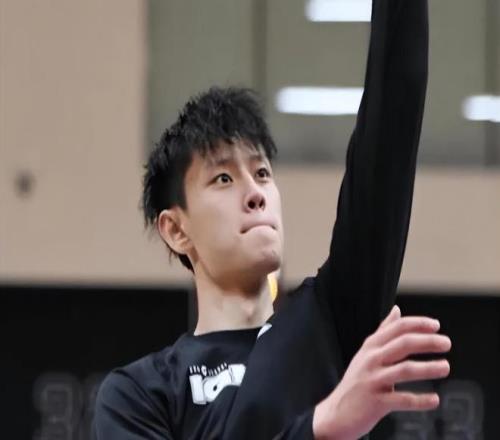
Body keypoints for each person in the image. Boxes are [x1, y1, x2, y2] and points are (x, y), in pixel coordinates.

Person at [93, 0, 452, 438]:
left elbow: (394, 110)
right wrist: (319, 428)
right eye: (223, 178)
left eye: (262, 173)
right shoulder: (140, 394)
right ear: (176, 229)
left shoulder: (327, 322)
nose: (255, 193)